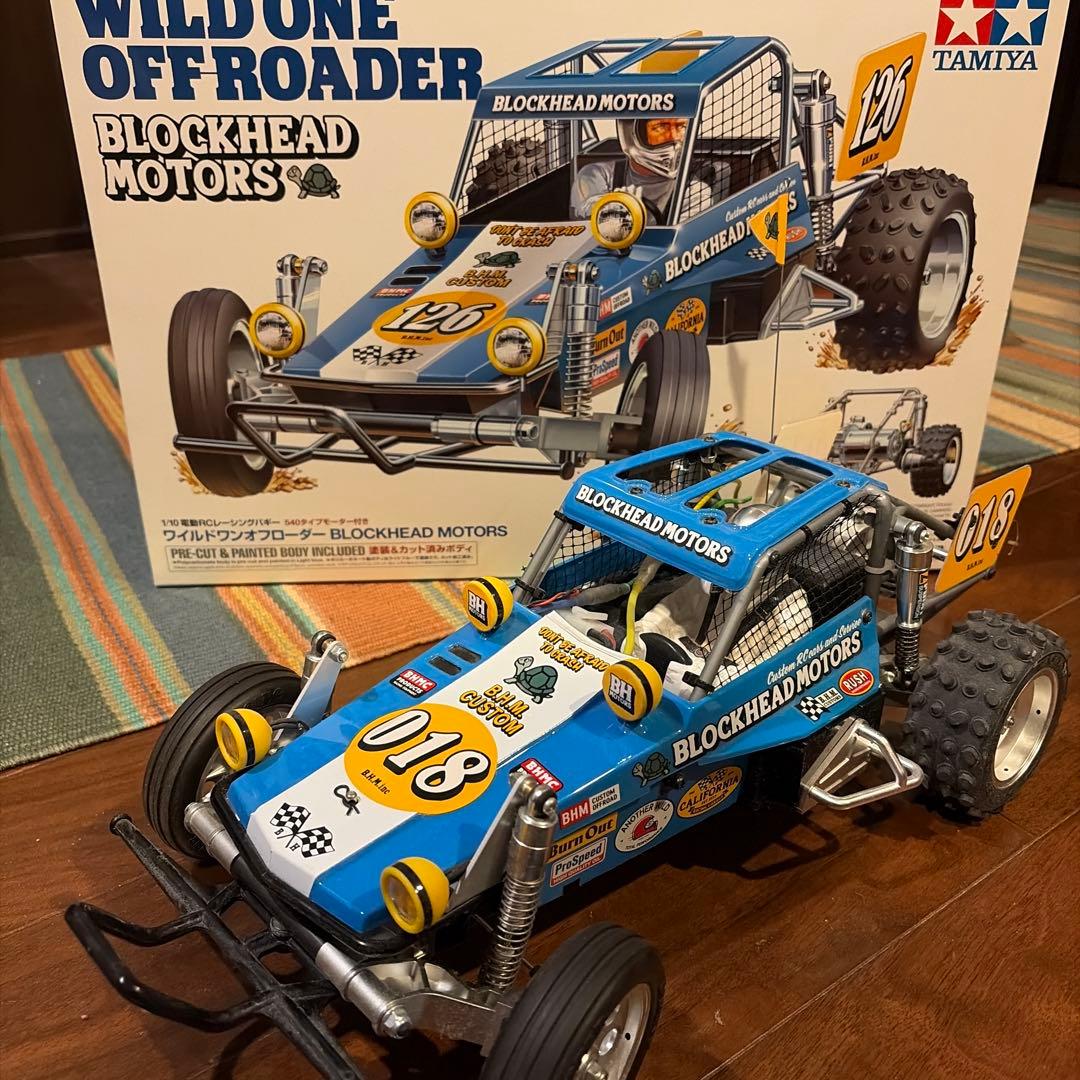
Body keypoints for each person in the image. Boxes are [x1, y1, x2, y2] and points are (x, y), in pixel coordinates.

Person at [572, 117, 690, 224]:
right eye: (660, 127)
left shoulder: (693, 186)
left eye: (682, 127)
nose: (675, 137)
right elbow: (585, 213)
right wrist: (615, 207)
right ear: (630, 133)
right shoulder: (596, 174)